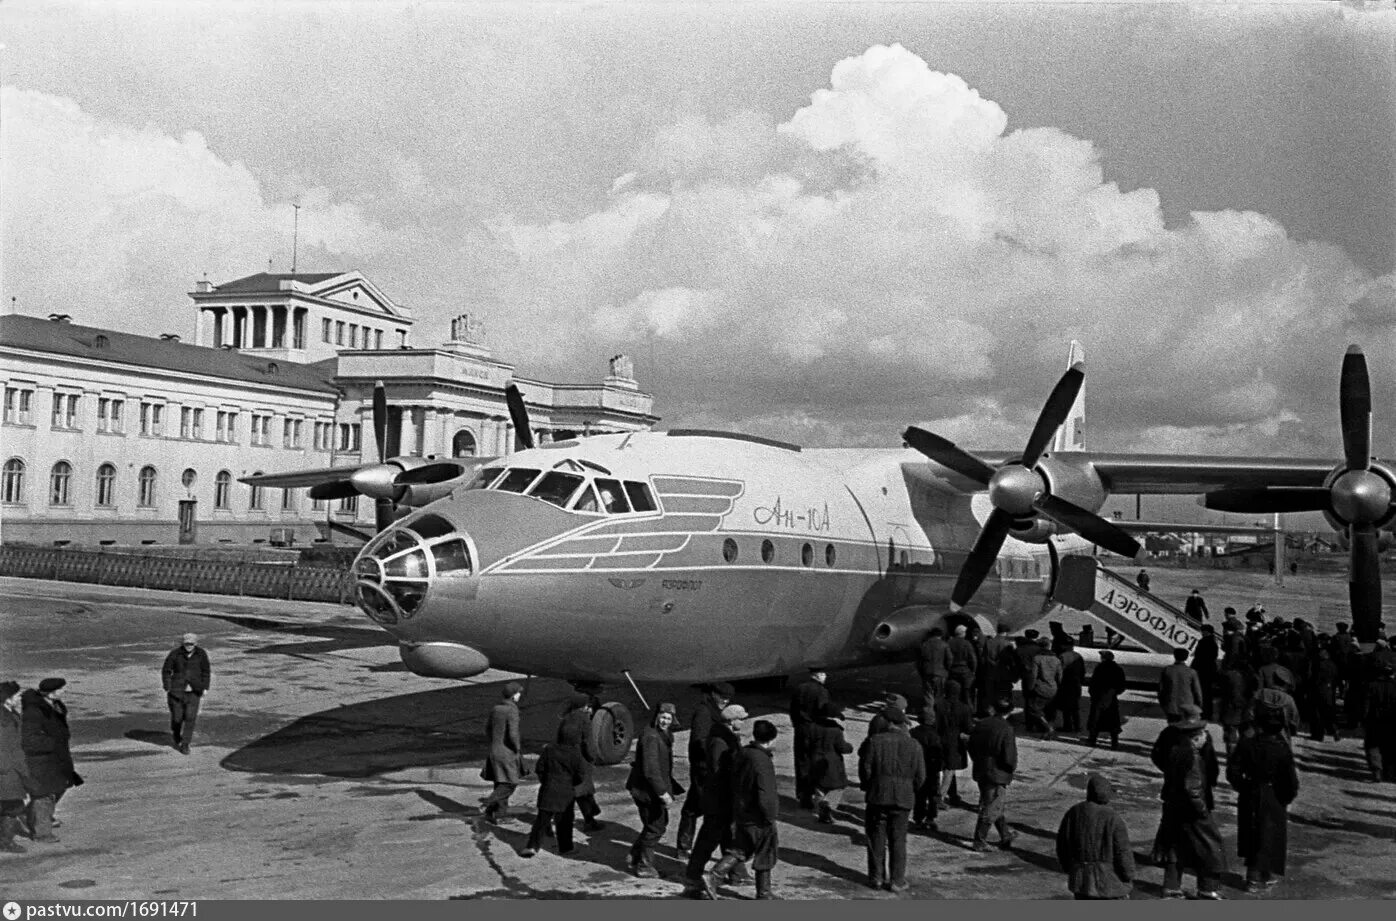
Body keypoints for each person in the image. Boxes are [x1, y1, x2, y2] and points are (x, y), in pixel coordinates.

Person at [1151, 712, 1227, 899]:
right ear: (1195, 739)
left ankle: (1171, 887)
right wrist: (1202, 811)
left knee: (1174, 846)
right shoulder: (1193, 760)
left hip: (1173, 807)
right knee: (1210, 849)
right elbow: (1192, 790)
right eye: (1203, 734)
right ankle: (1208, 889)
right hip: (1192, 813)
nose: (1206, 737)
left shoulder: (1176, 752)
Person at [1227, 708, 1299, 893]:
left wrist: (1243, 786)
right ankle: (1259, 876)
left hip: (1251, 792)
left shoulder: (1247, 744)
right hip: (1274, 795)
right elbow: (1290, 780)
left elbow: (1233, 770)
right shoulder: (1282, 749)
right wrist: (1286, 797)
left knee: (1253, 834)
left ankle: (1257, 876)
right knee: (1269, 836)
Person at [708, 719, 781, 900]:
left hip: (742, 811)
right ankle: (763, 893)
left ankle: (713, 876)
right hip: (759, 815)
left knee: (741, 848)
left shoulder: (743, 753)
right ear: (771, 739)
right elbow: (766, 792)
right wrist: (770, 815)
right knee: (766, 851)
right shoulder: (762, 760)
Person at [683, 703, 748, 898]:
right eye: (741, 719)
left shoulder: (725, 737)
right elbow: (721, 771)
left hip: (723, 797)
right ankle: (693, 878)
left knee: (729, 834)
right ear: (732, 721)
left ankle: (737, 874)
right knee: (707, 840)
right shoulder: (720, 742)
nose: (743, 723)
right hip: (719, 798)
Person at [858, 705, 925, 892]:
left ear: (887, 722)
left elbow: (866, 770)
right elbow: (921, 776)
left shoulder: (874, 741)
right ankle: (897, 880)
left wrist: (869, 786)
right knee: (898, 840)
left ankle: (876, 878)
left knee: (876, 837)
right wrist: (910, 790)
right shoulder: (914, 745)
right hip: (903, 798)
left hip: (878, 796)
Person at [1055, 773, 1135, 900]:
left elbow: (1062, 845)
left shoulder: (1074, 812)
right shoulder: (1113, 818)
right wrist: (1128, 875)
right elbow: (1123, 852)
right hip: (1108, 883)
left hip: (1081, 881)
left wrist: (1070, 868)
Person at [626, 702, 683, 878]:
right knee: (655, 828)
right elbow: (651, 770)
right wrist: (662, 793)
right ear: (656, 716)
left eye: (668, 718)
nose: (665, 721)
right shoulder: (651, 737)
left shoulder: (663, 734)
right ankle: (644, 866)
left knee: (655, 824)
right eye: (663, 717)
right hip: (647, 791)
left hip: (649, 789)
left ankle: (635, 856)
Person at [21, 677, 80, 844]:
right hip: (41, 759)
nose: (65, 691)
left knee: (62, 785)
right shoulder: (34, 711)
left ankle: (38, 816)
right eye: (62, 689)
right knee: (44, 793)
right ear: (52, 692)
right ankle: (42, 833)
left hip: (57, 756)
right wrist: (52, 743)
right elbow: (29, 739)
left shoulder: (56, 706)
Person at [676, 681, 732, 858]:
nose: (725, 701)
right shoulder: (704, 712)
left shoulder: (714, 711)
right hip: (705, 769)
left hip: (706, 769)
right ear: (713, 695)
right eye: (722, 698)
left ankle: (684, 847)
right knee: (713, 813)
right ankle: (691, 849)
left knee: (692, 808)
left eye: (728, 699)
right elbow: (699, 741)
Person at [522, 720, 585, 858]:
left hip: (548, 790)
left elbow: (540, 768)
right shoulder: (575, 753)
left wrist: (546, 781)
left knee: (541, 821)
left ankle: (532, 846)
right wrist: (572, 783)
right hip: (566, 793)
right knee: (565, 823)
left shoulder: (550, 749)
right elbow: (580, 774)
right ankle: (565, 848)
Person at [967, 697, 1018, 852]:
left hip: (981, 768)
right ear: (1010, 711)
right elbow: (1009, 757)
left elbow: (971, 745)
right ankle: (979, 839)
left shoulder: (982, 724)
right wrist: (1010, 769)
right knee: (992, 806)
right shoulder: (1006, 728)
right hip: (998, 772)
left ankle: (1005, 834)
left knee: (992, 802)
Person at [480, 682, 526, 823]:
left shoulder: (496, 708)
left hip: (494, 751)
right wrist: (517, 748)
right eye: (518, 693)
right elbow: (513, 734)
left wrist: (495, 742)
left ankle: (496, 814)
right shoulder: (512, 710)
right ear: (513, 695)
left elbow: (487, 729)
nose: (519, 695)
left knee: (500, 782)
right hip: (507, 753)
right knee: (510, 783)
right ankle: (488, 803)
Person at [557, 693, 604, 832]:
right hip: (581, 761)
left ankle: (590, 818)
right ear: (583, 706)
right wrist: (592, 757)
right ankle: (590, 820)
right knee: (583, 791)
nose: (589, 709)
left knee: (580, 792)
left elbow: (558, 740)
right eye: (588, 706)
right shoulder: (584, 719)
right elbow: (588, 744)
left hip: (566, 760)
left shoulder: (565, 719)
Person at [161, 632, 210, 754]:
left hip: (194, 692)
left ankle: (185, 744)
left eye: (191, 644)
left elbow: (206, 671)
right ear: (183, 643)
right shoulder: (175, 654)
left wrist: (205, 687)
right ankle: (176, 734)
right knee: (177, 718)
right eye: (187, 644)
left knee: (190, 718)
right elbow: (166, 670)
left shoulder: (201, 654)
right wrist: (167, 686)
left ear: (196, 644)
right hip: (177, 692)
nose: (189, 646)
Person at [789, 668, 830, 809]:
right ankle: (816, 794)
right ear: (817, 675)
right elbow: (823, 711)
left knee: (801, 761)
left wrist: (796, 724)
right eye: (823, 674)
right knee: (816, 761)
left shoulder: (799, 688)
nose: (825, 677)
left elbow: (792, 708)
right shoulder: (822, 691)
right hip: (816, 728)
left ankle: (803, 796)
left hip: (801, 728)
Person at [0, 681, 32, 854]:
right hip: (8, 771)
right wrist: (21, 770)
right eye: (17, 695)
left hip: (8, 769)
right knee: (13, 807)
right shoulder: (4, 720)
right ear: (8, 698)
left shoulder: (8, 714)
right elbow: (9, 747)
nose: (20, 698)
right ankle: (5, 842)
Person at [808, 704, 852, 825]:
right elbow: (842, 747)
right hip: (832, 762)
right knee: (838, 787)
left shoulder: (812, 727)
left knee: (819, 787)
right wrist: (850, 747)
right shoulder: (835, 730)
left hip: (815, 759)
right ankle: (828, 805)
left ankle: (820, 809)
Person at [936, 679, 973, 808]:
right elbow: (968, 728)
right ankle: (940, 797)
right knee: (950, 770)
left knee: (947, 768)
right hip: (955, 742)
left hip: (940, 739)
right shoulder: (964, 708)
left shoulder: (938, 705)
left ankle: (953, 795)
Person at [909, 704, 943, 831]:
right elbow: (938, 753)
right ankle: (930, 818)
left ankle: (918, 818)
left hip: (917, 768)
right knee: (933, 794)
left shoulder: (912, 732)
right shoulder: (934, 735)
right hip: (931, 768)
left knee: (919, 795)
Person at [1361, 661, 1396, 782]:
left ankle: (1376, 769)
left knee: (1372, 745)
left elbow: (1366, 704)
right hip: (1391, 721)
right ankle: (1389, 772)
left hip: (1374, 719)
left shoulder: (1372, 685)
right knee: (1389, 746)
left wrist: (1364, 719)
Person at [1086, 650, 1126, 749]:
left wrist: (1092, 694)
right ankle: (1114, 743)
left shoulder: (1099, 668)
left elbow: (1093, 683)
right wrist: (1114, 693)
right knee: (1113, 721)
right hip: (1111, 698)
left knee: (1095, 720)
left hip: (1098, 697)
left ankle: (1092, 740)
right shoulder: (1118, 669)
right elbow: (1122, 686)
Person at [1028, 636, 1062, 738]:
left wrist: (1030, 687)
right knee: (1050, 711)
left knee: (1034, 709)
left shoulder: (1037, 659)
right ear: (1049, 646)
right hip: (1053, 688)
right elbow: (1059, 676)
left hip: (1040, 688)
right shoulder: (1056, 660)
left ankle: (1048, 728)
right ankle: (1048, 731)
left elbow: (1033, 675)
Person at [1158, 647, 1204, 723]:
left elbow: (1161, 690)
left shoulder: (1167, 670)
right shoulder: (1192, 672)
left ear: (1174, 656)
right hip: (1187, 708)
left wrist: (1164, 705)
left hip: (1171, 707)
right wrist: (1199, 706)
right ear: (1186, 658)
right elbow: (1197, 692)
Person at [1052, 639, 1086, 734]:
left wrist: (1057, 684)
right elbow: (1083, 671)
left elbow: (1059, 672)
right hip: (1076, 684)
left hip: (1065, 685)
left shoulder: (1062, 656)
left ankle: (1068, 726)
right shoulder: (1078, 656)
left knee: (1066, 708)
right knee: (1075, 707)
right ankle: (1077, 726)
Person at [1191, 626, 1221, 720]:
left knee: (1200, 692)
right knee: (1207, 693)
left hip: (1202, 670)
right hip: (1209, 670)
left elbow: (1199, 657)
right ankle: (1207, 713)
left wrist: (1194, 667)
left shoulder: (1204, 642)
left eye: (1203, 631)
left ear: (1207, 632)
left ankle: (1201, 712)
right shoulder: (1213, 642)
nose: (1201, 633)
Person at [917, 629, 951, 706]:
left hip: (927, 673)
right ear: (940, 635)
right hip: (940, 674)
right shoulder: (945, 645)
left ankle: (929, 716)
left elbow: (919, 662)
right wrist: (947, 670)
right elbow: (949, 659)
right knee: (939, 696)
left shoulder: (924, 645)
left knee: (928, 696)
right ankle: (939, 715)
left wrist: (922, 672)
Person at [947, 625, 979, 703]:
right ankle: (968, 712)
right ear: (962, 633)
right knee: (967, 694)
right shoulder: (967, 643)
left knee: (954, 693)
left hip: (952, 671)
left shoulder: (949, 643)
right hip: (965, 671)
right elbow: (973, 659)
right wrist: (973, 671)